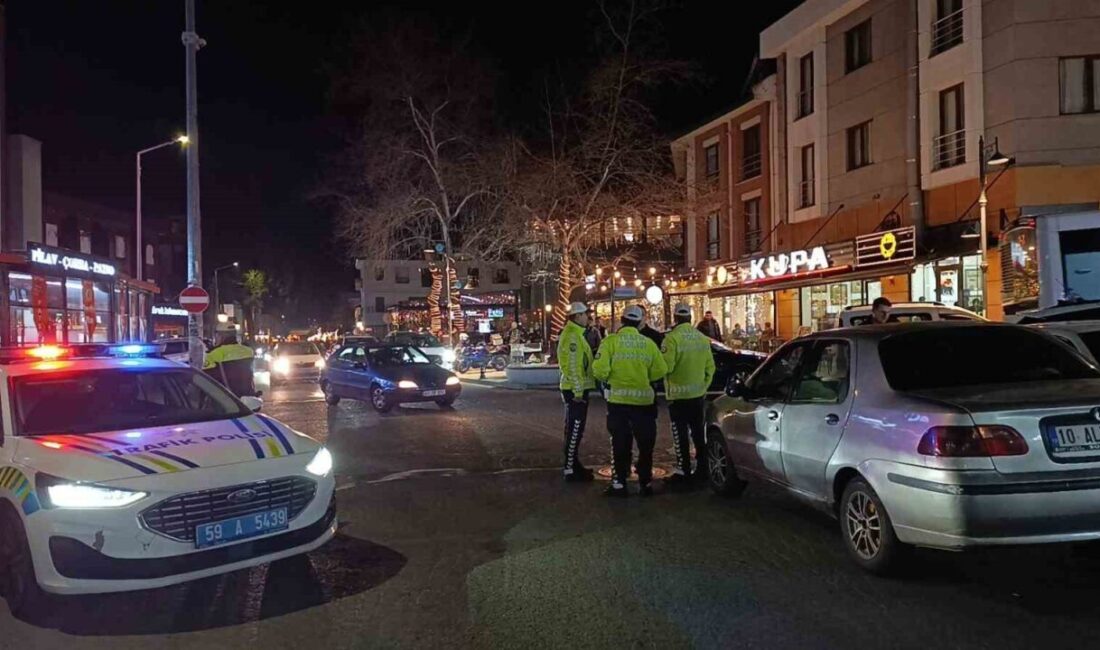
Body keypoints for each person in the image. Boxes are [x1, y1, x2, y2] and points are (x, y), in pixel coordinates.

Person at [593, 305, 668, 497]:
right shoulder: (648, 344)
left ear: (622, 320)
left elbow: (599, 370)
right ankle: (645, 482)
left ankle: (619, 483)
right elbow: (660, 370)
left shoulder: (610, 342)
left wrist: (610, 379)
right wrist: (646, 379)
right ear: (638, 322)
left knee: (619, 442)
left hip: (618, 402)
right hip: (644, 402)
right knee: (645, 444)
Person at [662, 305, 716, 488]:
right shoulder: (701, 338)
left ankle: (683, 470)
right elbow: (710, 368)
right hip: (697, 395)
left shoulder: (671, 339)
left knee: (680, 434)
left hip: (678, 397)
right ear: (690, 318)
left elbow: (667, 367)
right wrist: (703, 387)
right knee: (699, 433)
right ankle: (703, 469)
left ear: (675, 318)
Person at [557, 302, 596, 482]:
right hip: (575, 391)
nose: (588, 317)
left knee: (574, 429)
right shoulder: (573, 336)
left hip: (575, 389)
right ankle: (570, 468)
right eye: (585, 314)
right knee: (574, 430)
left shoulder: (575, 334)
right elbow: (573, 366)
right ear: (577, 316)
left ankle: (573, 464)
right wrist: (579, 392)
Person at [204, 331, 258, 397]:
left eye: (217, 335)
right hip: (248, 395)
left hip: (226, 398)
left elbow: (206, 378)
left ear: (222, 336)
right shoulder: (248, 351)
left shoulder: (215, 353)